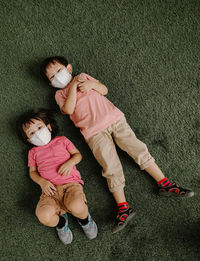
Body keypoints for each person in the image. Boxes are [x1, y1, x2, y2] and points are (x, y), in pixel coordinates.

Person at [40, 56, 194, 233]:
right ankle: (123, 207)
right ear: (51, 85)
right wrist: (73, 86)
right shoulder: (59, 94)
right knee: (110, 166)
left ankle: (164, 183)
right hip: (93, 133)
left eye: (59, 71)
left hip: (115, 120)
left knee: (138, 149)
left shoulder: (83, 76)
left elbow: (104, 90)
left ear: (69, 68)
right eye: (52, 77)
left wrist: (92, 85)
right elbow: (68, 109)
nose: (57, 76)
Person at [17, 108, 98, 244]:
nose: (37, 133)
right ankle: (61, 223)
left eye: (39, 127)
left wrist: (70, 162)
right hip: (50, 192)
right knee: (43, 215)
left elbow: (77, 155)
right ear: (29, 140)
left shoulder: (62, 140)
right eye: (32, 133)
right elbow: (32, 172)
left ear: (48, 126)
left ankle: (85, 221)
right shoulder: (33, 152)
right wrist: (42, 182)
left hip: (71, 186)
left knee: (77, 205)